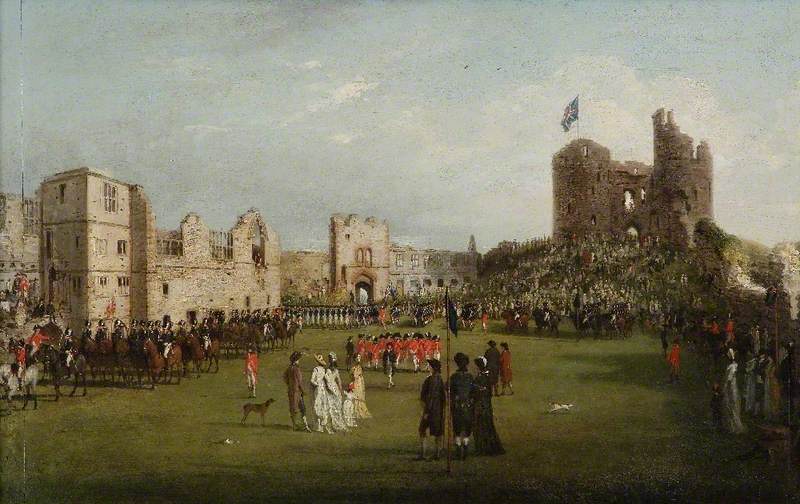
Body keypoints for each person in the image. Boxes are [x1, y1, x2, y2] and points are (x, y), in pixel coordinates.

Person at [472, 357, 505, 455]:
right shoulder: (484, 377)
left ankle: (482, 449)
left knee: (480, 427)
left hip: (481, 405)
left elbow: (479, 392)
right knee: (487, 426)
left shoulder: (481, 378)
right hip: (486, 405)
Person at [416, 358, 445, 461]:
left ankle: (425, 453)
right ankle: (436, 453)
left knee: (423, 429)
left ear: (433, 368)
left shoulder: (432, 379)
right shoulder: (438, 379)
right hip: (437, 409)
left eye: (429, 366)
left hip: (431, 409)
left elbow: (431, 397)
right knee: (437, 431)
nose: (428, 367)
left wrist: (427, 411)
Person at [450, 352, 474, 460]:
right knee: (467, 429)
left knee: (457, 429)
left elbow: (449, 390)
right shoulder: (470, 377)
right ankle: (465, 446)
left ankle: (459, 448)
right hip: (469, 406)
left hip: (457, 406)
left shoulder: (454, 377)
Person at [283, 351, 311, 432]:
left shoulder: (289, 368)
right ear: (296, 360)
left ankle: (294, 425)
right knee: (302, 408)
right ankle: (305, 426)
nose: (299, 361)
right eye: (298, 359)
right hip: (297, 391)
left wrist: (289, 384)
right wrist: (303, 391)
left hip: (291, 390)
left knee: (293, 408)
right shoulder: (296, 369)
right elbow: (299, 382)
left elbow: (284, 377)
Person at [722, 349, 745, 434]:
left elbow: (729, 379)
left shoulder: (733, 366)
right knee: (730, 406)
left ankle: (735, 428)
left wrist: (725, 386)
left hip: (732, 388)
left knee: (732, 405)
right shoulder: (732, 365)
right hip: (731, 386)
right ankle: (731, 427)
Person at [325, 352, 348, 432]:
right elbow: (327, 381)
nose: (331, 362)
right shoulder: (327, 370)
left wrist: (340, 391)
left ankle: (337, 424)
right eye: (330, 360)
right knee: (330, 407)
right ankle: (332, 424)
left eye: (332, 360)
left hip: (335, 389)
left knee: (337, 407)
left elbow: (339, 381)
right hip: (329, 389)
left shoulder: (335, 370)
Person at [310, 354, 332, 433]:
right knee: (320, 405)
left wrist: (317, 384)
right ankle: (319, 426)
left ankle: (320, 425)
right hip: (320, 389)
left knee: (320, 405)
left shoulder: (318, 369)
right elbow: (312, 380)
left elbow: (312, 380)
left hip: (321, 389)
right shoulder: (319, 369)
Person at [350, 353, 371, 419]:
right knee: (356, 394)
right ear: (355, 359)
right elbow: (351, 376)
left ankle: (361, 409)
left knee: (360, 394)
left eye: (359, 357)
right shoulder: (353, 368)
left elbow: (360, 374)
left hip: (360, 382)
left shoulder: (360, 366)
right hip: (355, 382)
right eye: (357, 357)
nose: (359, 359)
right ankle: (355, 410)